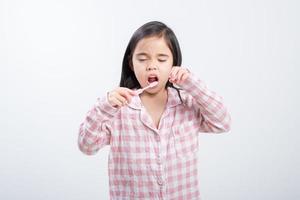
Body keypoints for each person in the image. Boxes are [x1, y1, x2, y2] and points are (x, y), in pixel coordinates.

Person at [78, 21, 231, 200]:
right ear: (131, 63)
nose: (152, 66)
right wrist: (104, 107)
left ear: (174, 62)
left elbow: (223, 123)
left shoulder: (187, 103)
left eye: (162, 59)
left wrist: (191, 83)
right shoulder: (116, 108)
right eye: (142, 59)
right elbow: (87, 146)